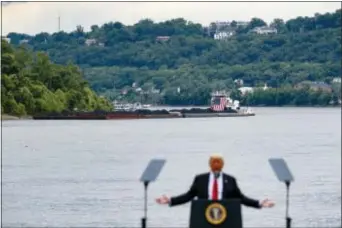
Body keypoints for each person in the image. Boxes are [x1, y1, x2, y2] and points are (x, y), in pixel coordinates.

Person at [156, 153, 275, 208]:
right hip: (204, 216)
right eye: (214, 161)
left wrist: (259, 203)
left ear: (223, 164)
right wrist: (170, 200)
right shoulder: (200, 179)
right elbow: (189, 196)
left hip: (225, 217)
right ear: (210, 164)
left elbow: (240, 198)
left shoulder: (230, 180)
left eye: (219, 161)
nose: (216, 164)